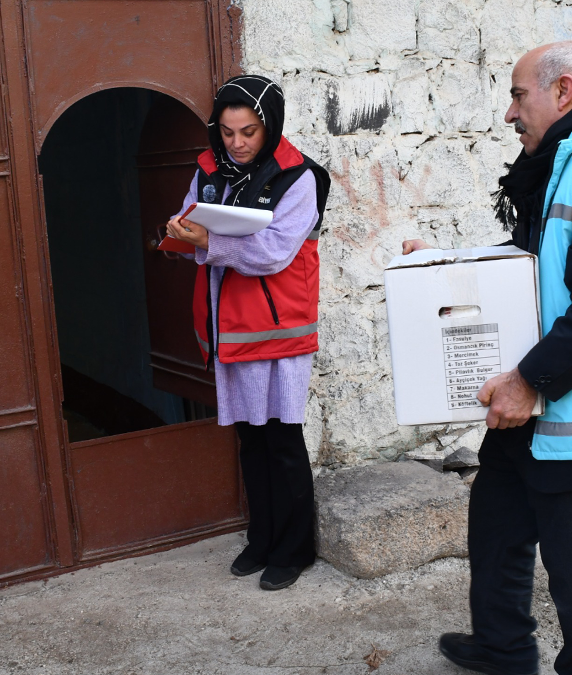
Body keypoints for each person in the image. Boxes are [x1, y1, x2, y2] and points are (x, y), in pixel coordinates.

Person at [403, 42, 572, 675]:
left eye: (517, 94)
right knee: (497, 521)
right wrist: (445, 266)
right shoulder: (563, 162)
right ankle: (503, 647)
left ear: (561, 92)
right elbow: (536, 259)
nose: (508, 112)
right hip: (547, 401)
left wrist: (528, 382)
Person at [166, 75, 330, 591]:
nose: (236, 143)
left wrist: (210, 239)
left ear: (270, 127)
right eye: (228, 131)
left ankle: (294, 548)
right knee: (249, 439)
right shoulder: (209, 168)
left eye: (249, 131)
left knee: (282, 439)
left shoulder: (299, 177)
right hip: (230, 328)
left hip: (277, 329)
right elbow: (192, 218)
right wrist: (183, 229)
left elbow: (277, 251)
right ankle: (261, 538)